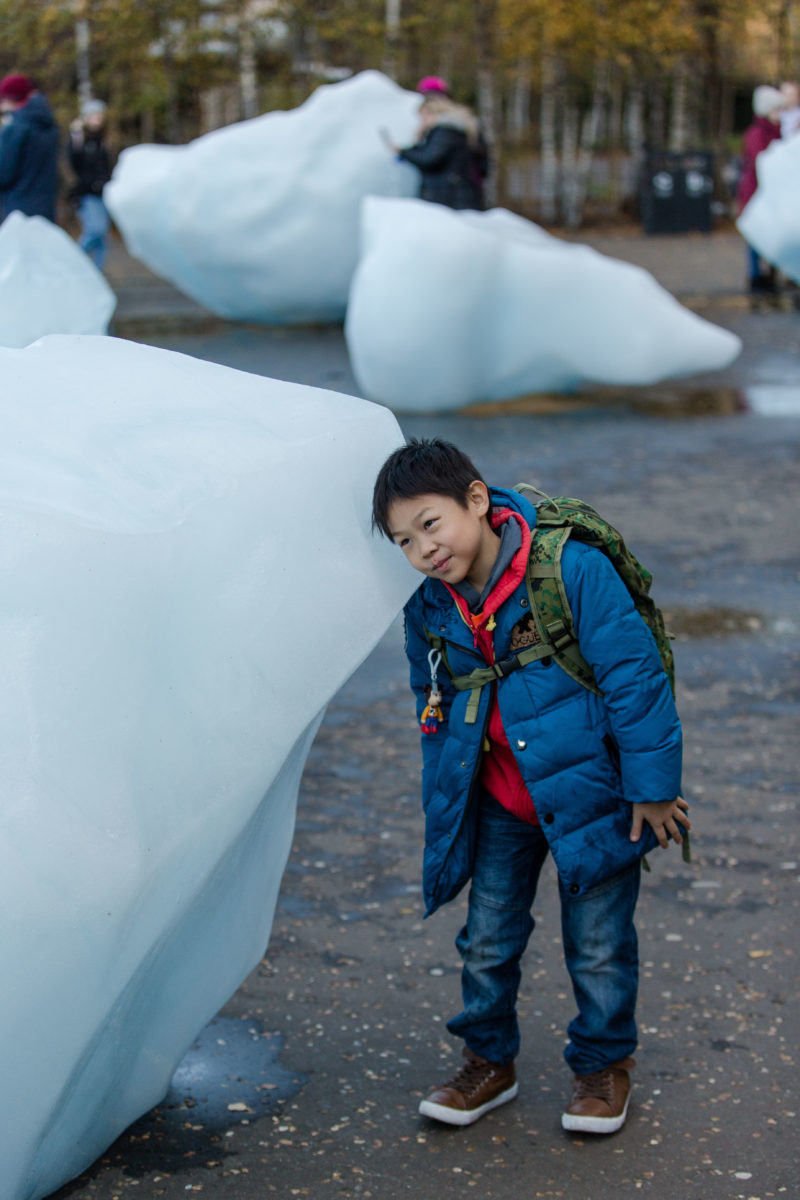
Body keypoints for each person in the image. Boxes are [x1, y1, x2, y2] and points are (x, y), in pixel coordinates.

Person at [371, 438, 688, 1133]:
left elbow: (636, 682)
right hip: (498, 800)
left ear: (477, 501)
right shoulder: (430, 610)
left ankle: (604, 1066)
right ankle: (489, 1061)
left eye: (431, 523)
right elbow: (434, 708)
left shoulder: (571, 570)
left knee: (599, 942)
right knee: (486, 938)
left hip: (594, 794)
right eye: (403, 540)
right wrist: (446, 806)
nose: (424, 549)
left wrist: (654, 786)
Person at [384, 77, 487, 210]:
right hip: (463, 192)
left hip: (448, 196)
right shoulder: (464, 124)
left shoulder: (445, 129)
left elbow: (430, 158)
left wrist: (403, 152)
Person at [737, 85, 784, 304]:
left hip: (770, 192)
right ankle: (756, 276)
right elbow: (761, 163)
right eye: (776, 110)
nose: (779, 114)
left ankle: (768, 276)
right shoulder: (758, 133)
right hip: (756, 192)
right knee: (756, 238)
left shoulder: (775, 131)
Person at [0, 73, 59, 222]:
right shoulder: (48, 125)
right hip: (46, 206)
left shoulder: (15, 128)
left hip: (18, 208)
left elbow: (4, 173)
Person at [68, 98, 113, 270]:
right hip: (86, 193)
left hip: (103, 192)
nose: (98, 119)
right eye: (94, 115)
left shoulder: (103, 140)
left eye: (100, 115)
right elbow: (74, 164)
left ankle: (96, 274)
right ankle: (73, 263)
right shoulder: (79, 139)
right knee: (95, 230)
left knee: (102, 239)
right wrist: (75, 138)